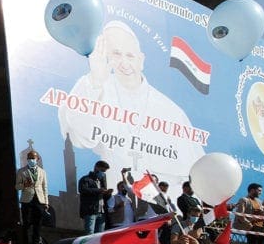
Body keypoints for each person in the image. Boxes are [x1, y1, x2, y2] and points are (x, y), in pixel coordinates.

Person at [57, 20, 206, 187]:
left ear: (141, 60)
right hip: (118, 202)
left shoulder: (171, 111)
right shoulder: (95, 88)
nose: (124, 63)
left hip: (165, 207)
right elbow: (79, 136)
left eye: (129, 55)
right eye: (116, 54)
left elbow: (197, 171)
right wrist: (95, 80)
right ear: (107, 57)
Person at [16, 149, 48, 244]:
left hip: (39, 200)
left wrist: (46, 202)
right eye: (29, 158)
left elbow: (45, 187)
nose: (31, 160)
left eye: (33, 158)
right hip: (27, 200)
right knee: (26, 223)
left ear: (37, 159)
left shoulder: (42, 172)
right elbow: (17, 187)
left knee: (38, 224)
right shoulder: (21, 171)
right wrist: (25, 184)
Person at [78, 161, 112, 234]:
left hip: (101, 212)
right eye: (102, 171)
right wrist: (99, 190)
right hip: (91, 211)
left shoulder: (101, 182)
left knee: (99, 235)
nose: (103, 173)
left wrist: (108, 193)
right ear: (96, 167)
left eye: (104, 172)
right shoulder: (85, 179)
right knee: (90, 233)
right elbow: (82, 190)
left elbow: (103, 195)